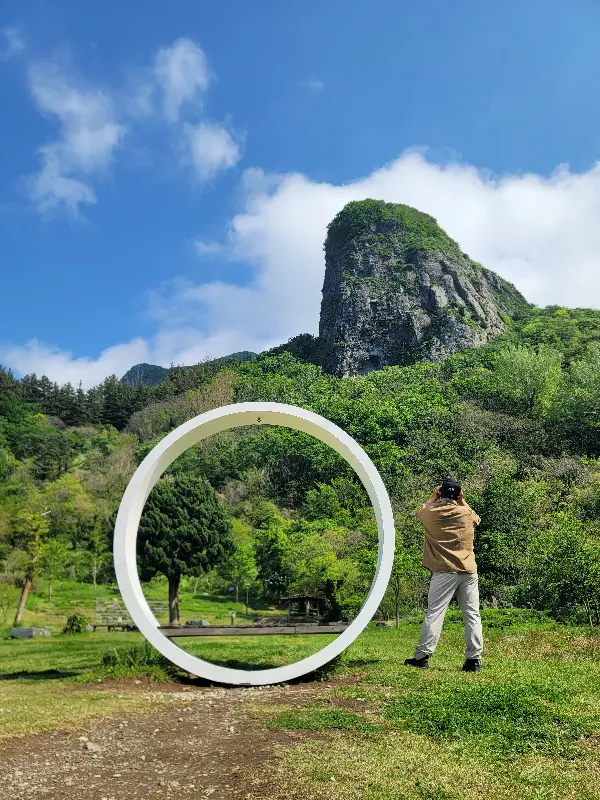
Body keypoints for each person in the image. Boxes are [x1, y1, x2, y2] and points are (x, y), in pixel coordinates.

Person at [404, 477, 483, 673]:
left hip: (444, 570)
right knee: (472, 615)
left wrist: (433, 496)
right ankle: (474, 660)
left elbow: (419, 513)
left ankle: (422, 656)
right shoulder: (465, 512)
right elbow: (477, 519)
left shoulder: (431, 513)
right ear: (458, 495)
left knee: (435, 613)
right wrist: (462, 500)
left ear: (441, 493)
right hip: (468, 570)